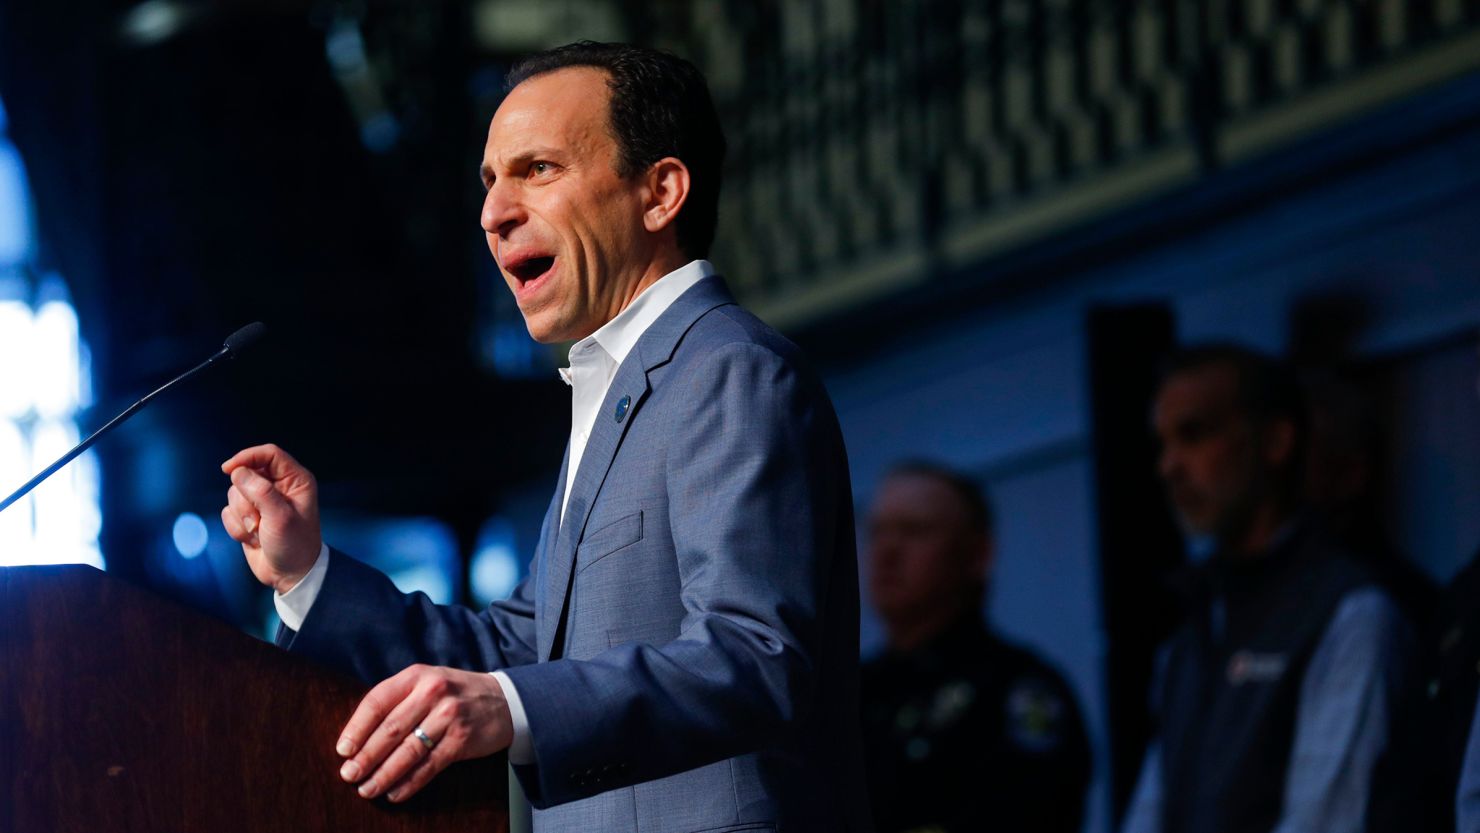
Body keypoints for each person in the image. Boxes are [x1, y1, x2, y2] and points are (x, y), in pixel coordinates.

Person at [219, 42, 870, 833]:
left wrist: (509, 703)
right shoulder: (620, 391)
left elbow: (754, 654)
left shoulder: (728, 369)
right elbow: (518, 649)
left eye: (538, 169)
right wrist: (307, 575)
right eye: (490, 181)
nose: (493, 213)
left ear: (660, 192)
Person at [1121, 345, 1410, 833]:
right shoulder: (1195, 626)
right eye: (1162, 443)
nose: (1168, 466)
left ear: (1275, 441)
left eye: (1194, 434)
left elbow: (1325, 823)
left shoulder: (1347, 609)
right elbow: (1150, 812)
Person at [861, 461, 1091, 833]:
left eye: (913, 531)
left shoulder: (1015, 689)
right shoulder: (847, 691)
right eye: (877, 532)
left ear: (977, 555)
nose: (886, 552)